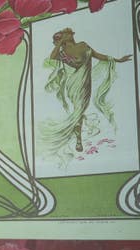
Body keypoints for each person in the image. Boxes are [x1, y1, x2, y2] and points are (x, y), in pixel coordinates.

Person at [42, 28, 131, 157]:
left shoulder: (83, 45)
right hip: (74, 84)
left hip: (85, 82)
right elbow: (52, 57)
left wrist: (117, 60)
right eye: (66, 34)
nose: (71, 35)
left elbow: (98, 55)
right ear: (61, 39)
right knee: (78, 109)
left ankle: (77, 134)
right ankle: (78, 139)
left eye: (70, 33)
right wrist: (61, 42)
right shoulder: (62, 52)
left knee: (80, 110)